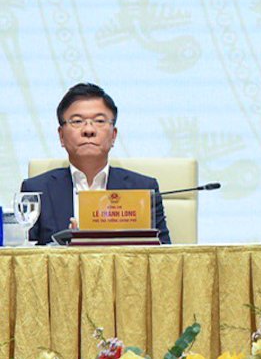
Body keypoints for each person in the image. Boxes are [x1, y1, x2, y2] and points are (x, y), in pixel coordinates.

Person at [21, 83, 171, 245]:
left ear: (113, 135)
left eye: (99, 121)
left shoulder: (143, 189)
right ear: (61, 136)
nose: (88, 130)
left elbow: (163, 257)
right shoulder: (36, 189)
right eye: (77, 121)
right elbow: (26, 258)